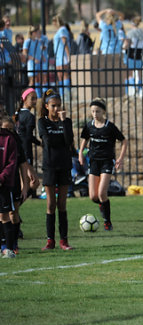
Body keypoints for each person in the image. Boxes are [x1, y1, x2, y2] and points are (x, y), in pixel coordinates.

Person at [78, 98, 128, 231]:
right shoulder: (89, 126)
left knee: (101, 193)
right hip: (94, 162)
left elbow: (124, 141)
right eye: (93, 111)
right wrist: (80, 153)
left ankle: (107, 222)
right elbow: (85, 139)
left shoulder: (109, 127)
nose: (95, 114)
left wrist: (120, 158)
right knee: (93, 196)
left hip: (107, 162)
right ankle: (103, 205)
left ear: (103, 112)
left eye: (98, 111)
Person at [37, 89, 75, 250]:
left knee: (62, 204)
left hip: (64, 166)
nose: (57, 108)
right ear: (46, 106)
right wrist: (59, 139)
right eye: (53, 106)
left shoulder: (66, 121)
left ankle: (64, 241)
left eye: (59, 105)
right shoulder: (42, 122)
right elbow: (48, 141)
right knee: (51, 204)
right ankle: (50, 241)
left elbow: (68, 141)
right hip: (50, 166)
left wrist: (64, 122)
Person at [2, 114, 35, 257]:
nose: (9, 131)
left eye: (11, 129)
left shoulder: (16, 142)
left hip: (13, 182)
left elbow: (22, 165)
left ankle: (13, 243)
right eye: (6, 128)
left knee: (14, 214)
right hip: (4, 182)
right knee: (5, 214)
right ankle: (5, 244)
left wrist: (25, 186)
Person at [0, 115, 20, 258]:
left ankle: (9, 248)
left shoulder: (9, 139)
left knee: (4, 215)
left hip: (4, 184)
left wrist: (1, 178)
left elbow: (12, 163)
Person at [15, 88, 41, 193]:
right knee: (34, 183)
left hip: (17, 151)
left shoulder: (17, 114)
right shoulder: (29, 116)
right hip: (25, 152)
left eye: (36, 98)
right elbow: (28, 137)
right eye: (32, 98)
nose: (35, 101)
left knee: (25, 183)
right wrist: (40, 143)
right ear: (25, 99)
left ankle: (17, 201)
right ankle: (18, 202)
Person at [122, 16, 143, 94]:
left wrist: (123, 47)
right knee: (139, 72)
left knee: (129, 73)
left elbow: (127, 44)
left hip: (131, 54)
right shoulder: (142, 33)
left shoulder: (130, 33)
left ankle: (132, 87)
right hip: (140, 54)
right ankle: (140, 88)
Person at [22, 25, 47, 91]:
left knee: (38, 80)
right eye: (35, 31)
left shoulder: (38, 41)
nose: (37, 33)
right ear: (32, 32)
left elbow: (39, 52)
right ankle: (28, 94)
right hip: (31, 63)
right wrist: (33, 59)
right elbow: (24, 53)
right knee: (32, 81)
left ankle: (38, 95)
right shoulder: (27, 41)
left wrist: (42, 57)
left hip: (38, 63)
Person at [52, 16, 72, 93]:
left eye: (54, 22)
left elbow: (65, 42)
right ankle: (61, 94)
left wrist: (68, 55)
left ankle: (66, 94)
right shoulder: (59, 30)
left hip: (63, 55)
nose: (53, 24)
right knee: (60, 76)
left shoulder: (62, 29)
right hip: (58, 56)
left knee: (64, 75)